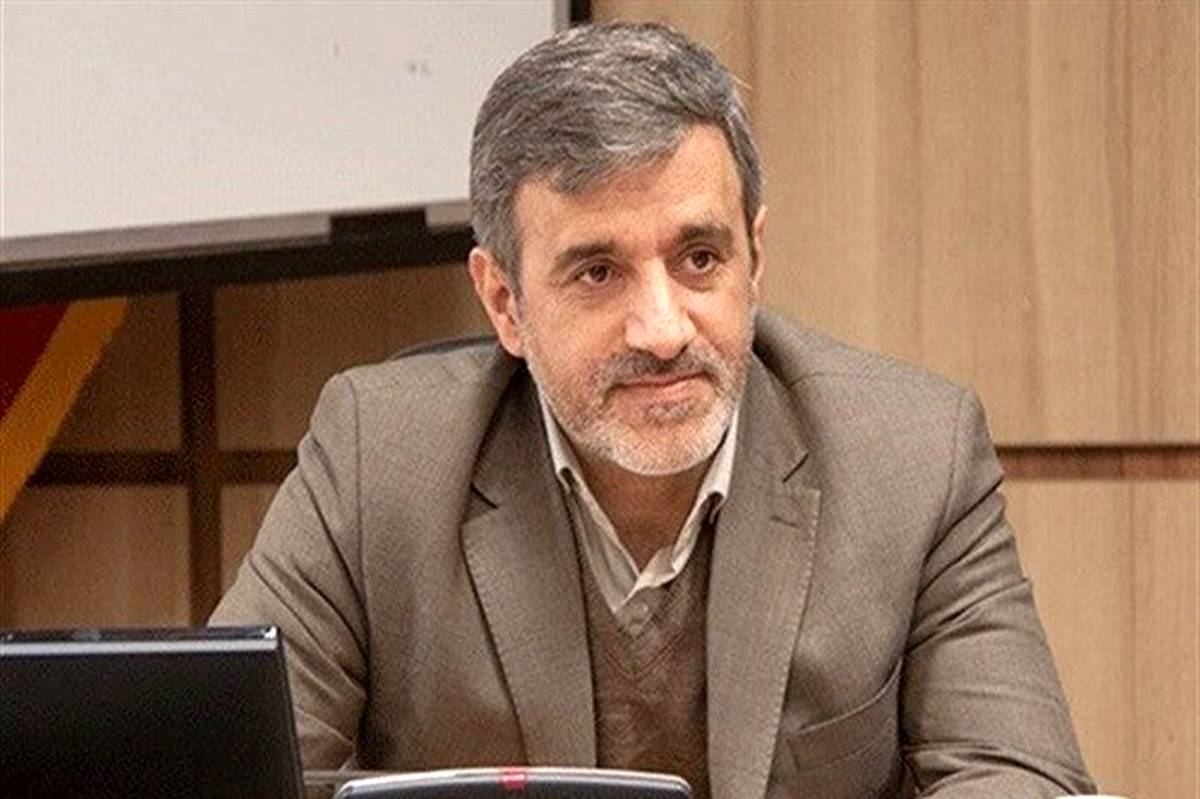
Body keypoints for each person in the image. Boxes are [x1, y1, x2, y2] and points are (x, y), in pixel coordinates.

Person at [212, 22, 1096, 798]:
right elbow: (221, 777)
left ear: (755, 258)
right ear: (505, 301)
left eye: (700, 258)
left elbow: (1019, 775)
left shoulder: (913, 458)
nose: (664, 329)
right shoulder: (377, 458)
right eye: (598, 272)